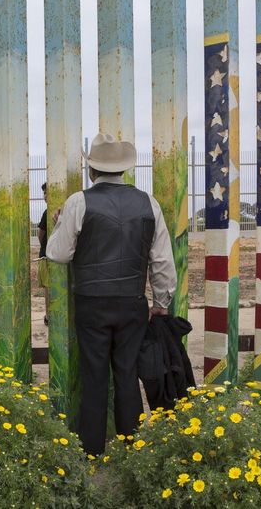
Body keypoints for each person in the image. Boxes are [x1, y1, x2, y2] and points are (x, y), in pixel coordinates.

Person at [46, 133, 177, 456]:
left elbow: (58, 254)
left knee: (93, 376)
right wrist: (161, 303)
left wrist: (59, 224)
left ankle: (91, 449)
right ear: (123, 169)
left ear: (92, 169)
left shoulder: (78, 202)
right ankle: (130, 446)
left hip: (91, 303)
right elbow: (162, 261)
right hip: (133, 302)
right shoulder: (149, 203)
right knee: (127, 374)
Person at [37, 183, 50, 325]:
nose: (45, 196)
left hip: (46, 255)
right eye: (44, 193)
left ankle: (48, 315)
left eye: (47, 192)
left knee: (48, 287)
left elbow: (40, 234)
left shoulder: (47, 212)